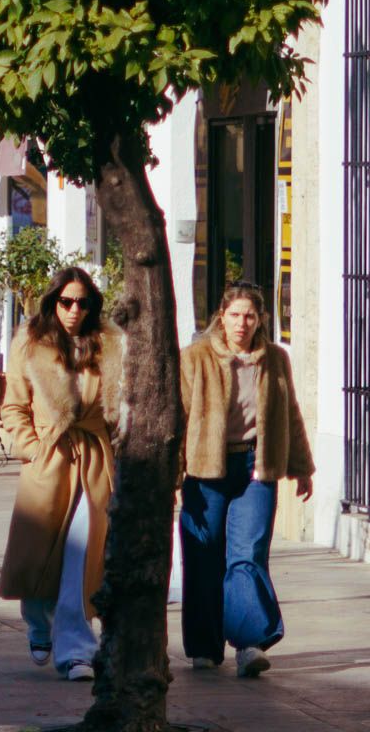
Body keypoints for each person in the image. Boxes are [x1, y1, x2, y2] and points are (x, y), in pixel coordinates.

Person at [178, 280, 314, 677]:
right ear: (221, 316)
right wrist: (171, 475)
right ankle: (204, 646)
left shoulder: (275, 359)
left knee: (248, 554)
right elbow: (179, 416)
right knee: (203, 555)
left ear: (261, 319)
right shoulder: (196, 357)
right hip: (205, 469)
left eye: (250, 316)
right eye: (235, 315)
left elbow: (290, 412)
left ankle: (249, 643)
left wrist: (301, 467)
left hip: (255, 466)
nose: (242, 323)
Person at [0, 267, 117, 683]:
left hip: (94, 461)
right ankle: (37, 624)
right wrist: (31, 449)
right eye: (66, 301)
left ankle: (77, 652)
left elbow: (118, 408)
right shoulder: (30, 343)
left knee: (82, 557)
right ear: (53, 302)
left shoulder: (108, 345)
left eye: (83, 302)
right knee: (39, 553)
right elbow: (13, 406)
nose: (74, 310)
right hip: (48, 459)